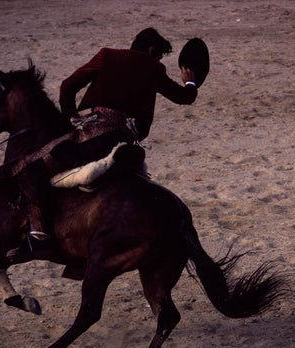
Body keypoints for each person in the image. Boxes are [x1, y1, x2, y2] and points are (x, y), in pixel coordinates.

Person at [11, 27, 198, 258]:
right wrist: (190, 82)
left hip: (93, 136)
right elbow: (184, 97)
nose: (158, 60)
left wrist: (71, 117)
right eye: (159, 55)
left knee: (30, 165)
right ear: (151, 50)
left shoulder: (107, 55)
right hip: (128, 143)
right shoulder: (154, 68)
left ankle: (38, 235)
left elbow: (67, 86)